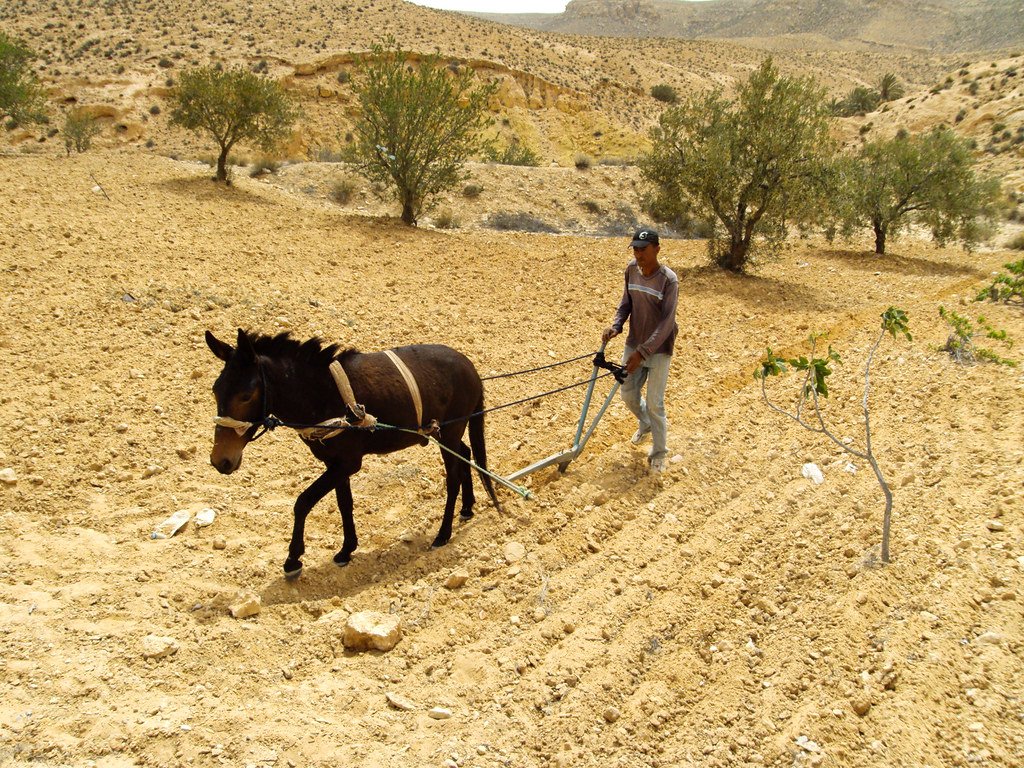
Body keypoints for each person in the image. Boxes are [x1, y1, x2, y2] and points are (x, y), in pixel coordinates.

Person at [601, 227, 679, 473]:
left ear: (657, 248)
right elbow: (626, 303)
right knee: (627, 393)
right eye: (635, 248)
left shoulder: (668, 280)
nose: (638, 254)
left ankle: (659, 453)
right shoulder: (631, 270)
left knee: (656, 404)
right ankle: (645, 425)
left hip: (658, 350)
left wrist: (643, 352)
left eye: (643, 249)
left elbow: (667, 323)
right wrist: (616, 326)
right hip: (634, 343)